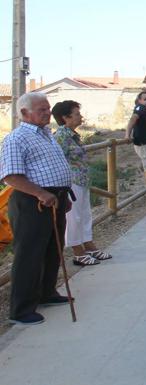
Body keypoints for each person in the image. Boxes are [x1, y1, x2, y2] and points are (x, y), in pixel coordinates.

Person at [0, 92, 73, 325]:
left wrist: (62, 194)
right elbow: (11, 176)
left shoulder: (45, 134)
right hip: (33, 201)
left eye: (48, 108)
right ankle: (21, 310)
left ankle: (46, 293)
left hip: (54, 199)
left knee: (54, 248)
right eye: (42, 109)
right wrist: (41, 193)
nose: (47, 113)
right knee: (29, 254)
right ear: (24, 113)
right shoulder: (17, 138)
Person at [52, 100, 112, 266]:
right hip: (71, 182)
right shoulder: (61, 137)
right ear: (65, 117)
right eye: (77, 114)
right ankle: (78, 252)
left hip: (81, 181)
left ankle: (89, 245)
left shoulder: (72, 134)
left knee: (85, 214)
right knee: (74, 217)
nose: (81, 117)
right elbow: (59, 161)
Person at [125, 90, 146, 192]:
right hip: (144, 144)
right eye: (145, 99)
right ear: (139, 101)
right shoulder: (140, 108)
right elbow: (132, 120)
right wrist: (127, 135)